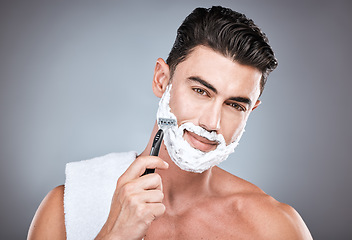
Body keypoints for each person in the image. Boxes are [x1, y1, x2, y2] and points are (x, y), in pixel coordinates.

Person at [28, 6, 313, 240]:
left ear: (251, 111)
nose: (212, 122)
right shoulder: (66, 208)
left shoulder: (276, 228)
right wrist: (112, 236)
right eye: (201, 91)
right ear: (162, 80)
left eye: (235, 105)